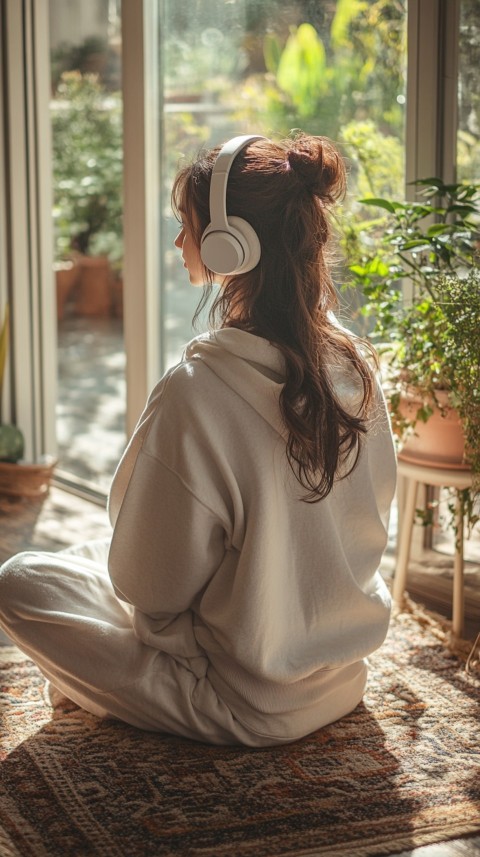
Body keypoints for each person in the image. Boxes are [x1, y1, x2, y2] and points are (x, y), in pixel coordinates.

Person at [0, 133, 396, 747]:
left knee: (21, 583)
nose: (179, 242)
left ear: (228, 245)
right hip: (344, 679)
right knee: (86, 556)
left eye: (187, 227)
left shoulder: (198, 390)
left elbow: (148, 588)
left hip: (240, 701)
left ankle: (103, 691)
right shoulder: (356, 365)